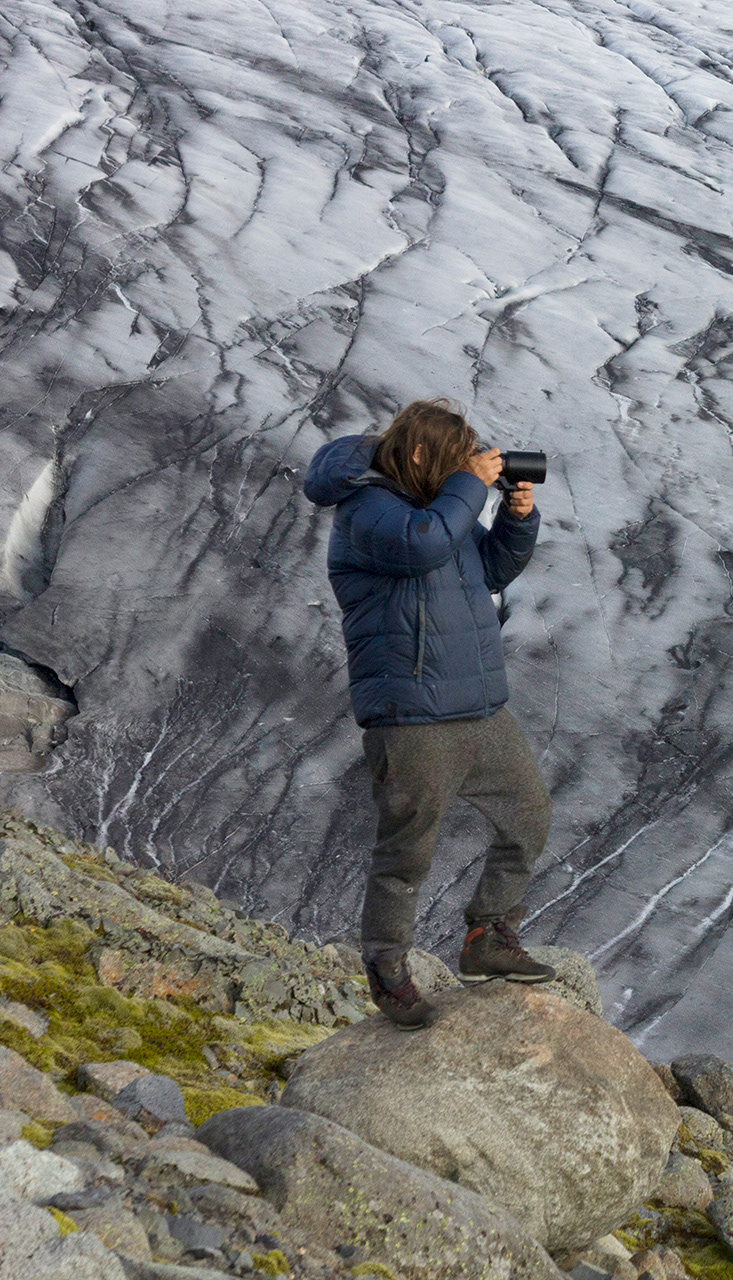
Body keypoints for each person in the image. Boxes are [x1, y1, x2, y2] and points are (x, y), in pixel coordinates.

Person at [302, 398, 556, 1029]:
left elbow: (487, 568)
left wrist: (516, 520)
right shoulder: (367, 510)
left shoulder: (436, 506)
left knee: (529, 815)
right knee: (407, 853)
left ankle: (488, 936)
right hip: (412, 712)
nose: (462, 471)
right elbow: (422, 547)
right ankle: (388, 968)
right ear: (419, 455)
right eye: (453, 461)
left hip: (478, 706)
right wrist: (470, 485)